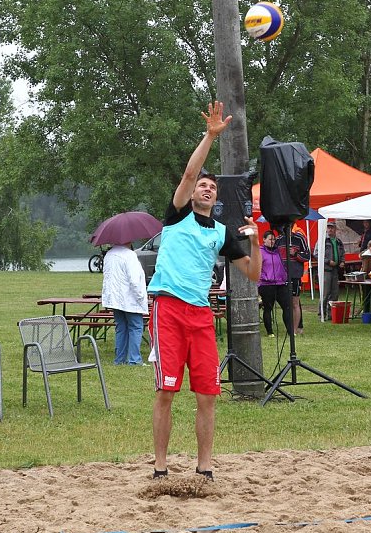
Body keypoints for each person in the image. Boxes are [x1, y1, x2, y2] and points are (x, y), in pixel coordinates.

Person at [147, 101, 262, 481]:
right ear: (193, 192)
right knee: (166, 391)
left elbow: (253, 273)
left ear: (217, 197)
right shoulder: (177, 214)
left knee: (208, 395)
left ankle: (205, 468)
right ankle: (160, 468)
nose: (207, 188)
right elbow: (188, 172)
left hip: (200, 315)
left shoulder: (222, 233)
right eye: (203, 185)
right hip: (168, 308)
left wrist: (256, 242)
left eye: (212, 187)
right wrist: (211, 136)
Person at [102, 243, 149, 365]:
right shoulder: (129, 255)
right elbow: (134, 280)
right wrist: (140, 297)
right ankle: (134, 359)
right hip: (129, 298)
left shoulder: (109, 254)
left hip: (114, 299)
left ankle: (120, 359)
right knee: (136, 327)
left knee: (121, 327)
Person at [276, 224, 311, 335]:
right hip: (281, 276)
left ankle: (295, 330)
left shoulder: (299, 238)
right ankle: (289, 328)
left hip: (295, 275)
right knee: (285, 304)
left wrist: (295, 254)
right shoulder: (278, 240)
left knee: (295, 303)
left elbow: (307, 255)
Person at [258, 230, 293, 338]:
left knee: (287, 306)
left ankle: (290, 331)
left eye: (274, 239)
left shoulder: (278, 251)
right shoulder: (260, 252)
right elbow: (257, 268)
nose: (272, 241)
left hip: (280, 283)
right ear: (264, 240)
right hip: (266, 284)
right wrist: (263, 278)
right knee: (268, 308)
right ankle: (270, 332)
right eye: (270, 239)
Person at [319, 221, 345, 320]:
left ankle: (331, 314)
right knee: (325, 294)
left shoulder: (338, 241)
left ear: (335, 229)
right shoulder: (323, 240)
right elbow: (317, 254)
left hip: (335, 270)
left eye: (332, 228)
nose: (330, 229)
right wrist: (328, 261)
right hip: (326, 270)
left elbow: (342, 253)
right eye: (328, 227)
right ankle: (321, 314)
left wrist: (342, 261)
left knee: (335, 294)